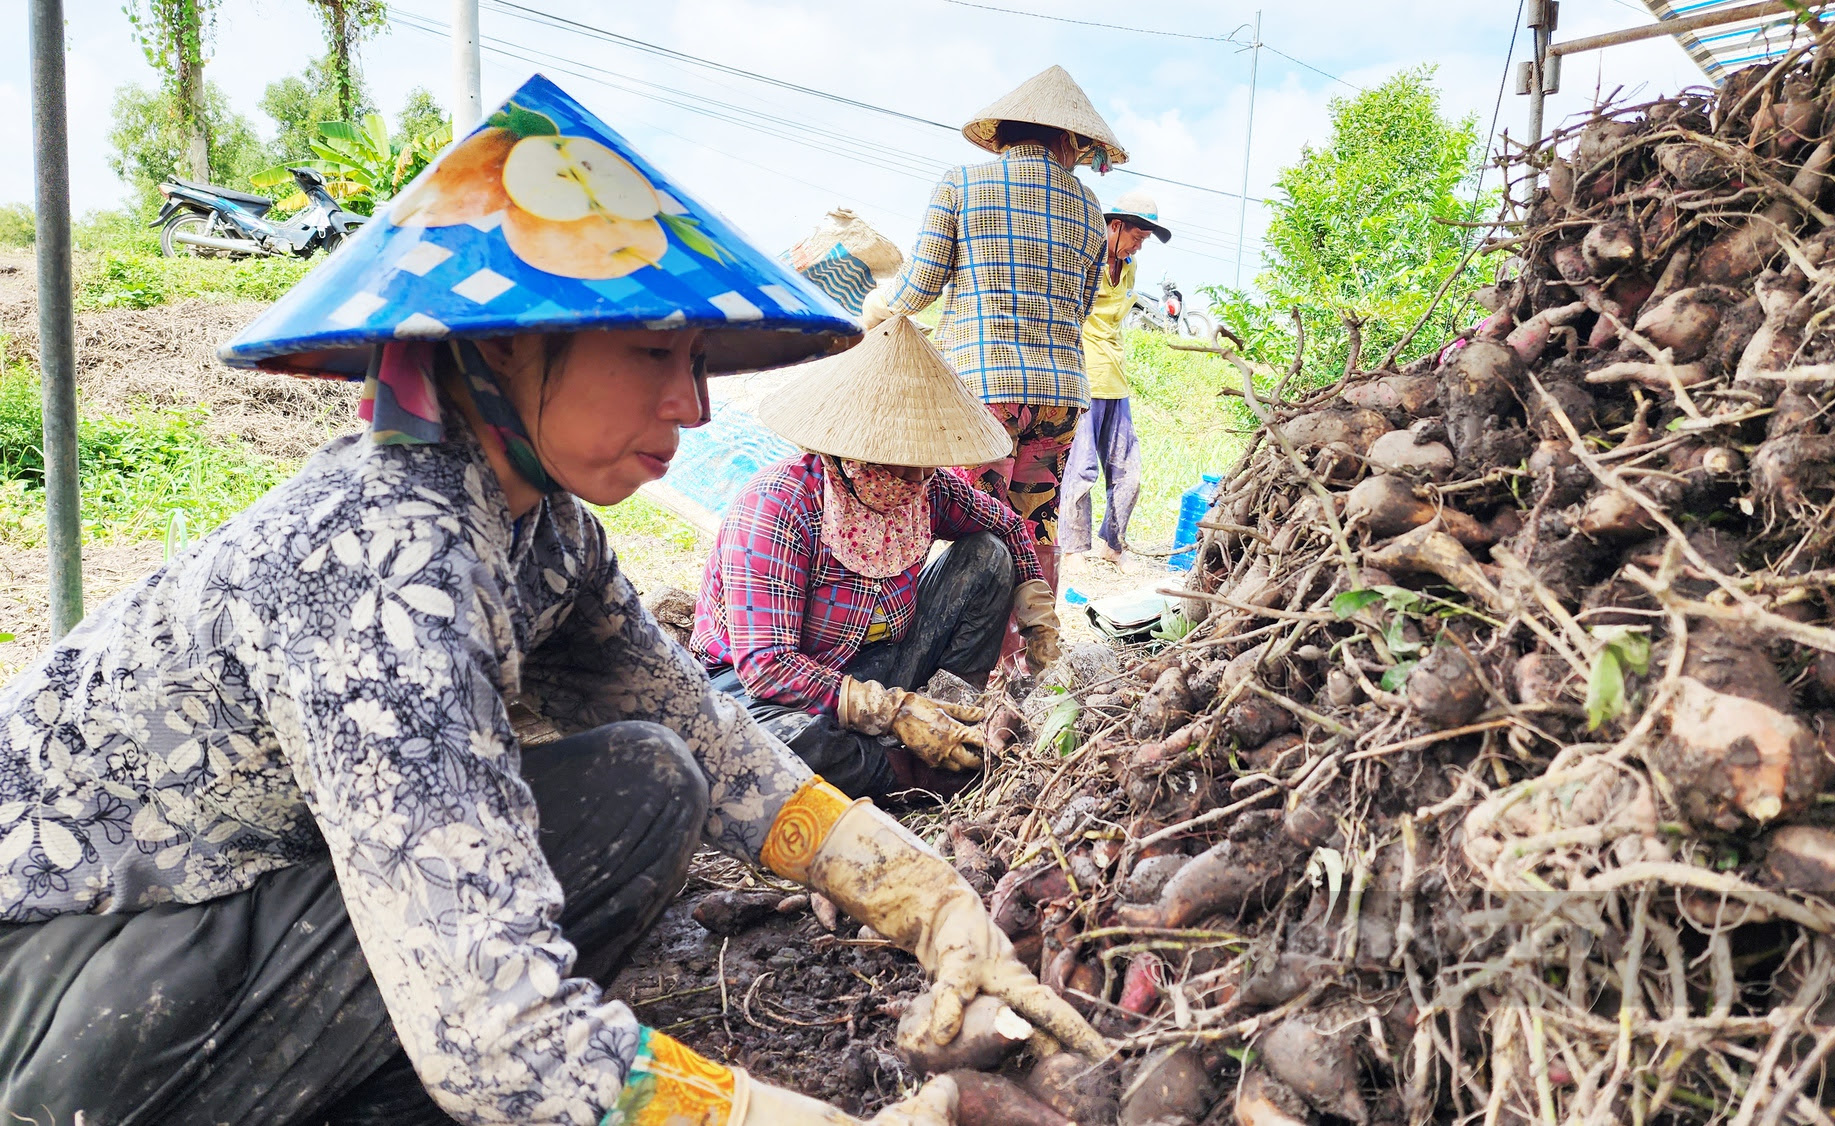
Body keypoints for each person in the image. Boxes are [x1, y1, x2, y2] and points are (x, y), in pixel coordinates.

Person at [0, 75, 1103, 1126]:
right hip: (66, 982)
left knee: (646, 780)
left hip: (235, 926)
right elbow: (498, 1022)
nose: (693, 402)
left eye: (700, 357)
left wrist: (923, 893)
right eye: (650, 351)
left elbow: (706, 738)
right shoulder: (381, 559)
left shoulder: (545, 533)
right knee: (498, 1030)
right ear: (507, 351)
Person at [693, 316, 1061, 800]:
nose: (915, 477)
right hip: (764, 690)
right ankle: (917, 771)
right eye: (897, 460)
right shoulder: (780, 506)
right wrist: (893, 712)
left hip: (876, 663)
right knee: (770, 745)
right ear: (851, 452)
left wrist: (1039, 623)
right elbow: (766, 665)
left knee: (988, 557)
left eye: (924, 460)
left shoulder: (928, 489)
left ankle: (952, 718)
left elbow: (1008, 527)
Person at [860, 65, 1125, 643]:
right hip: (1058, 396)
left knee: (967, 518)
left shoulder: (963, 183)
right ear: (1063, 138)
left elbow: (921, 285)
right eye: (1078, 147)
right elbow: (1080, 307)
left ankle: (959, 659)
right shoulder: (1089, 208)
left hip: (981, 393)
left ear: (1003, 133)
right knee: (1035, 523)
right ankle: (1025, 655)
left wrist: (878, 305)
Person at [1057, 192, 1172, 572]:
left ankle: (1113, 543)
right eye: (1137, 236)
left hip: (1115, 377)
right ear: (1116, 225)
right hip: (1084, 375)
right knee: (1082, 467)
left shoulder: (1130, 266)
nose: (1139, 246)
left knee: (1128, 469)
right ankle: (1073, 548)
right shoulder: (1085, 255)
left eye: (1144, 241)